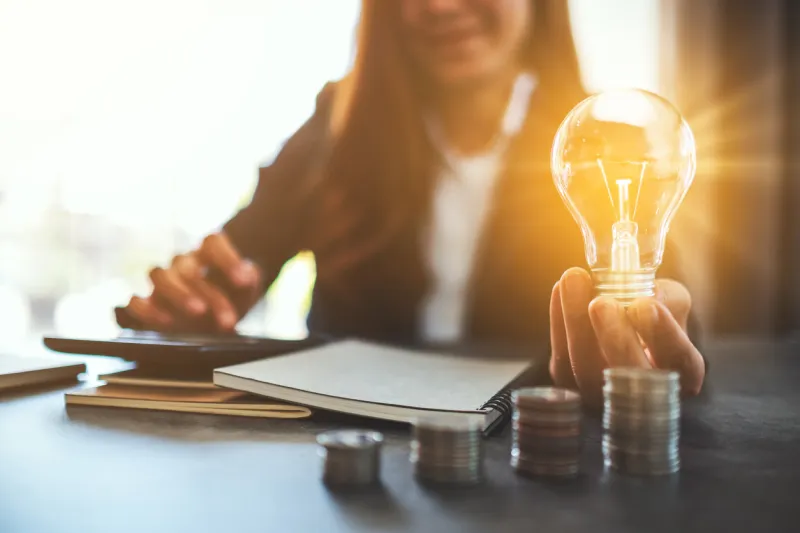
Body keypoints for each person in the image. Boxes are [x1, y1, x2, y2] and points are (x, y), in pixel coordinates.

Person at [119, 0, 705, 404]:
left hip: (531, 478)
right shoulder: (336, 128)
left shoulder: (608, 150)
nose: (441, 5)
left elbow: (671, 325)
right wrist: (193, 310)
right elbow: (230, 268)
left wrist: (650, 354)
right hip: (354, 465)